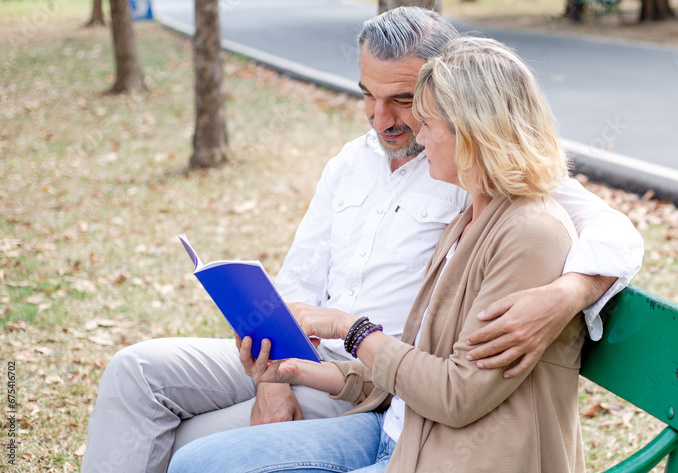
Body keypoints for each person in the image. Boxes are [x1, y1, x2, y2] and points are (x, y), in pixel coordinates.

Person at [80, 7, 642, 473]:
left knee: (191, 453)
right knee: (136, 372)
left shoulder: (486, 179)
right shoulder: (356, 162)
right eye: (368, 96)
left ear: (449, 95)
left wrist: (569, 292)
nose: (385, 120)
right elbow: (300, 282)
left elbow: (601, 228)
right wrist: (273, 376)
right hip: (328, 366)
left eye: (404, 101)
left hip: (381, 390)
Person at [170, 35, 587, 473]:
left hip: (456, 456)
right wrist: (297, 372)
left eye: (428, 124)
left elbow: (458, 395)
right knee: (195, 462)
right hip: (400, 431)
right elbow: (419, 367)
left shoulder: (530, 233)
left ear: (473, 132)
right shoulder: (468, 220)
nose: (419, 138)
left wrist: (350, 329)